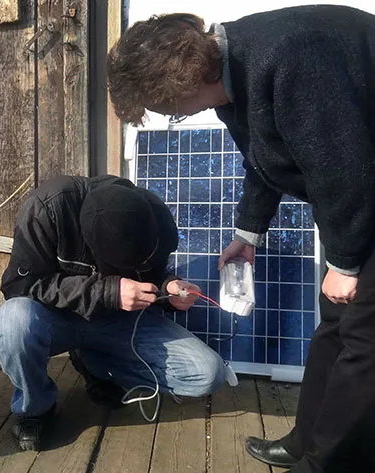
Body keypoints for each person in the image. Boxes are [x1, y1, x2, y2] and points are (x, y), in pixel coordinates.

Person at [106, 6, 375, 472]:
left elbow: (345, 169)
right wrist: (247, 233)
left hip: (363, 187)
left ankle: (328, 463)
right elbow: (265, 157)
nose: (172, 118)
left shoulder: (292, 57)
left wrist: (347, 264)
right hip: (357, 192)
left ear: (184, 85)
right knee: (335, 322)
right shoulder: (232, 75)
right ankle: (305, 442)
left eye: (167, 110)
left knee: (364, 340)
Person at [0, 174, 230, 451]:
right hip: (56, 320)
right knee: (12, 322)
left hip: (116, 323)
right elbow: (19, 286)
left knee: (208, 373)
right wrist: (108, 291)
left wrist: (168, 288)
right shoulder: (47, 208)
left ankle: (93, 362)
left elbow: (153, 275)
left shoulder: (152, 215)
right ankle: (35, 409)